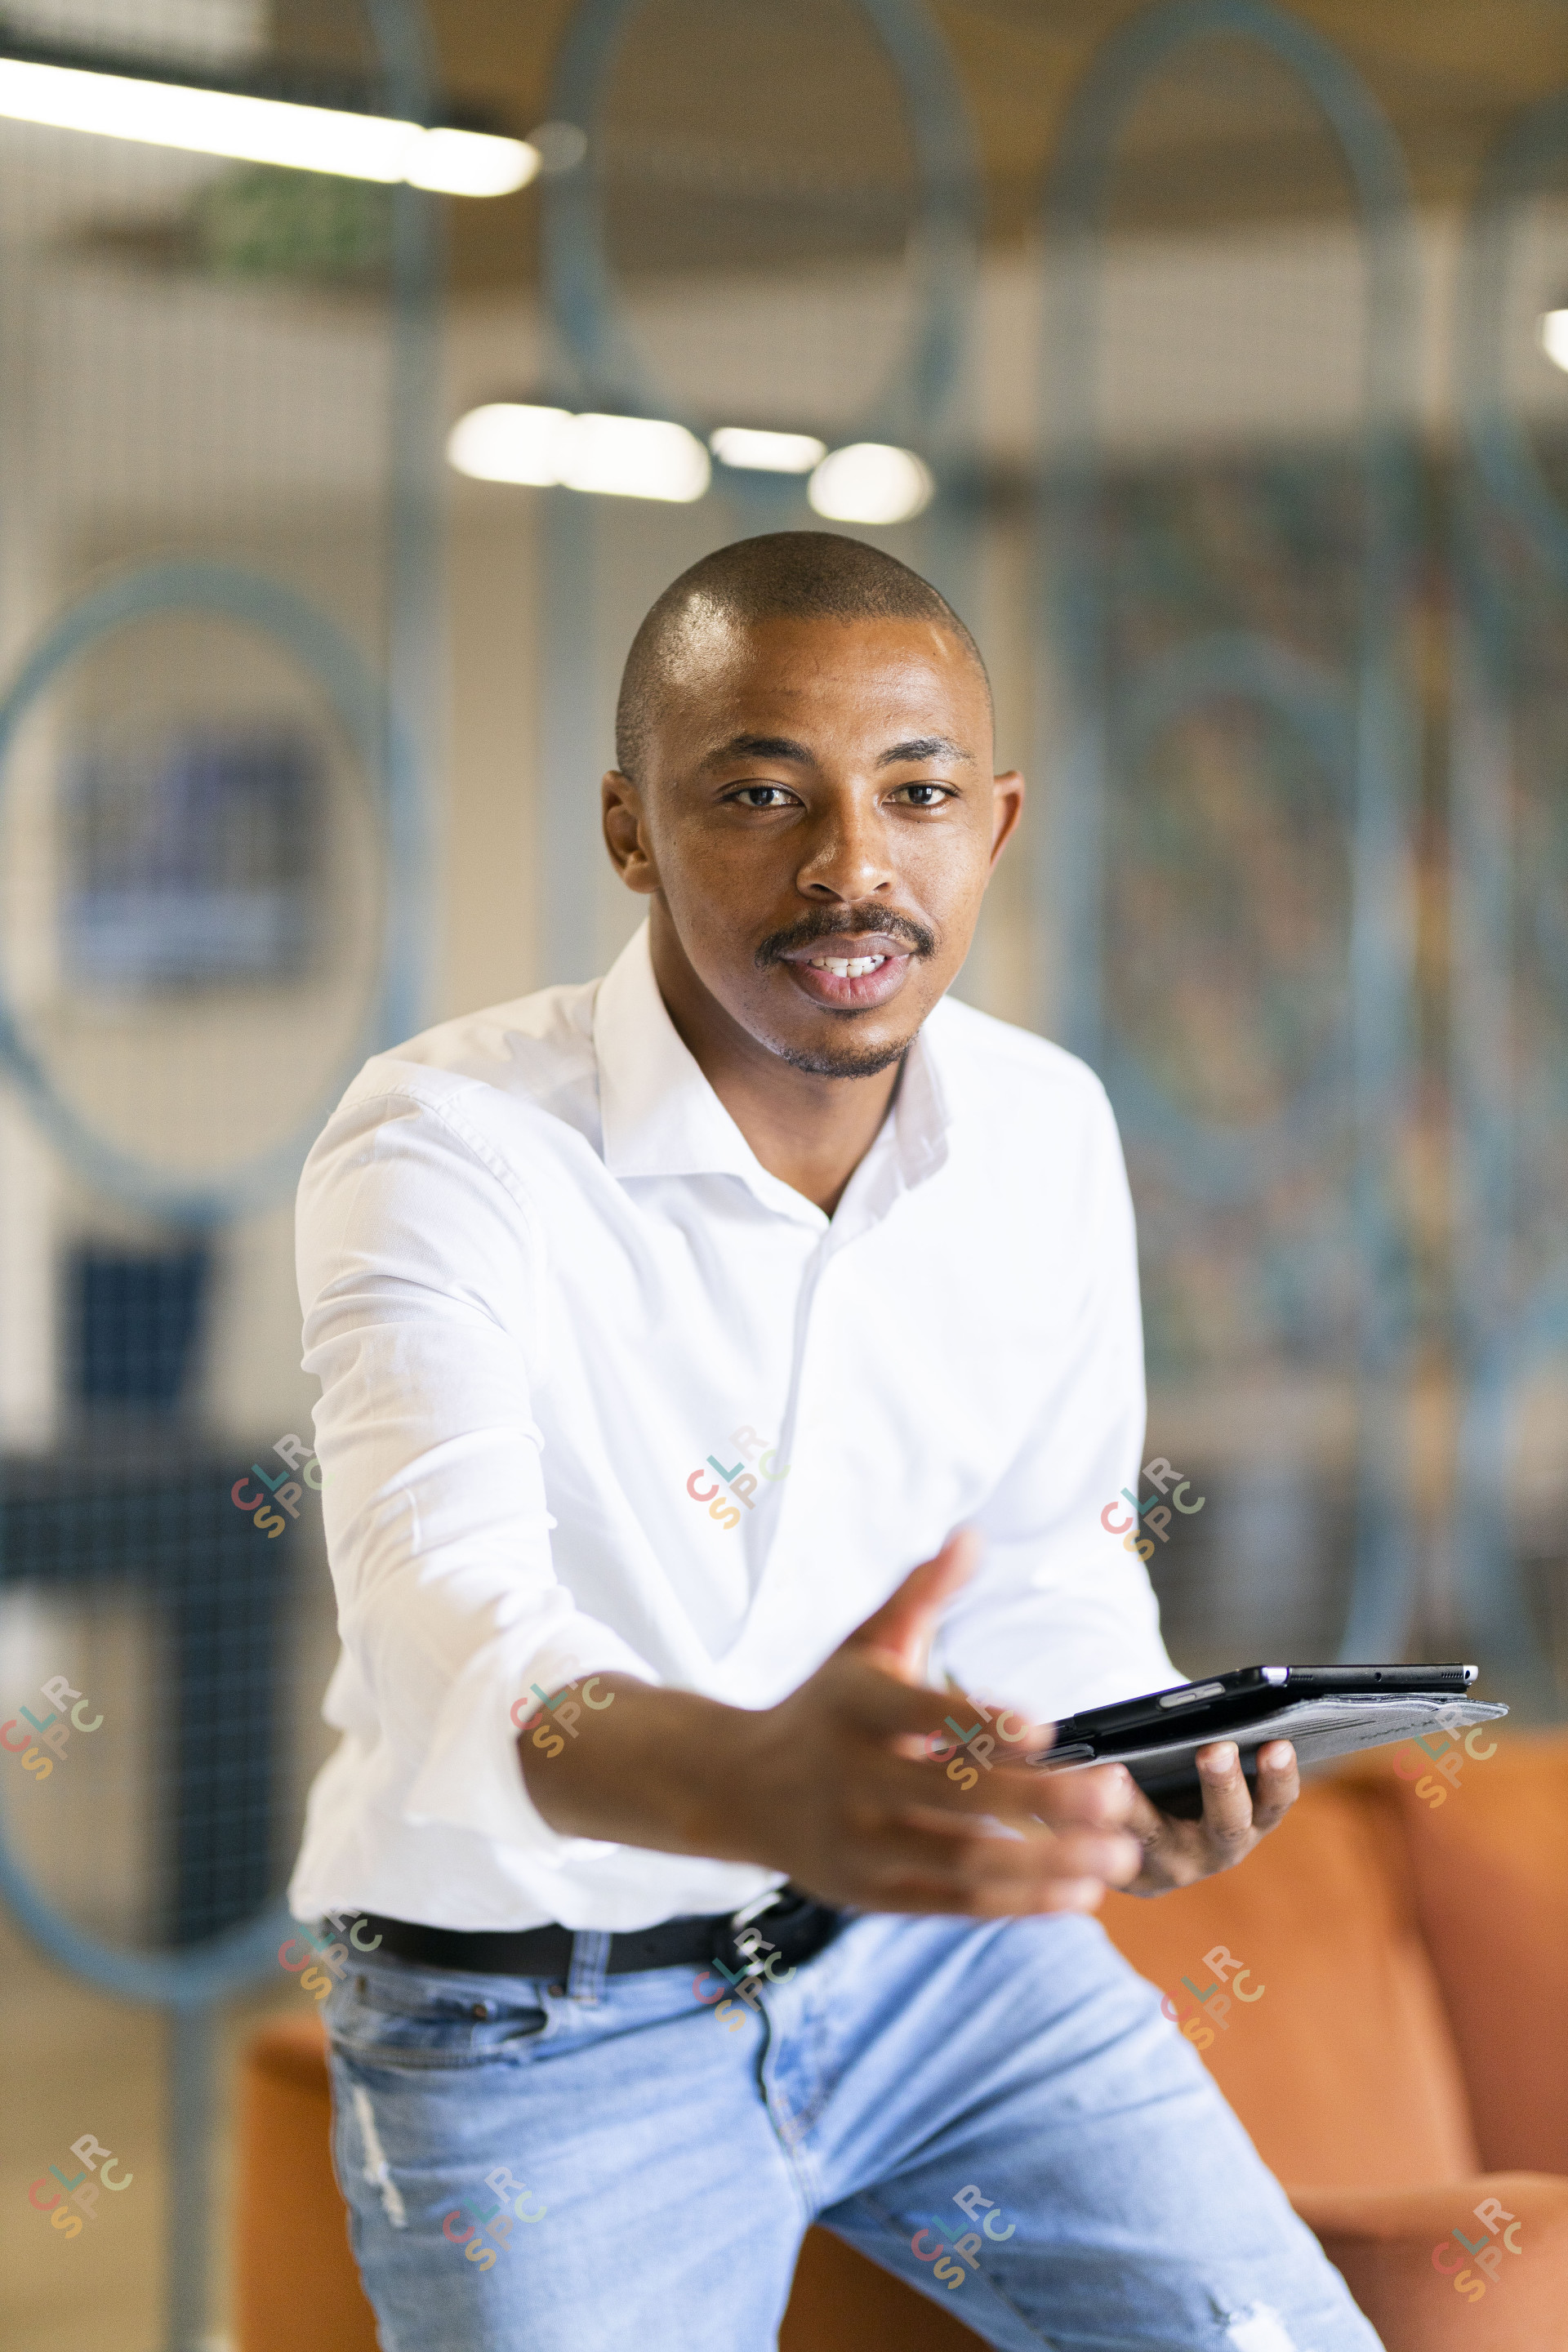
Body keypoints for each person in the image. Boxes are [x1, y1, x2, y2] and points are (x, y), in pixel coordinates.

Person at [289, 531, 1380, 2351]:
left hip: (943, 1975)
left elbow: (1048, 1560)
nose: (852, 867)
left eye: (918, 792)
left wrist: (1114, 1778)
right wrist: (752, 1786)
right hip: (536, 2028)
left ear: (997, 826)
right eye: (760, 791)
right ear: (633, 830)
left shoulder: (1042, 1126)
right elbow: (444, 1635)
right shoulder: (447, 1147)